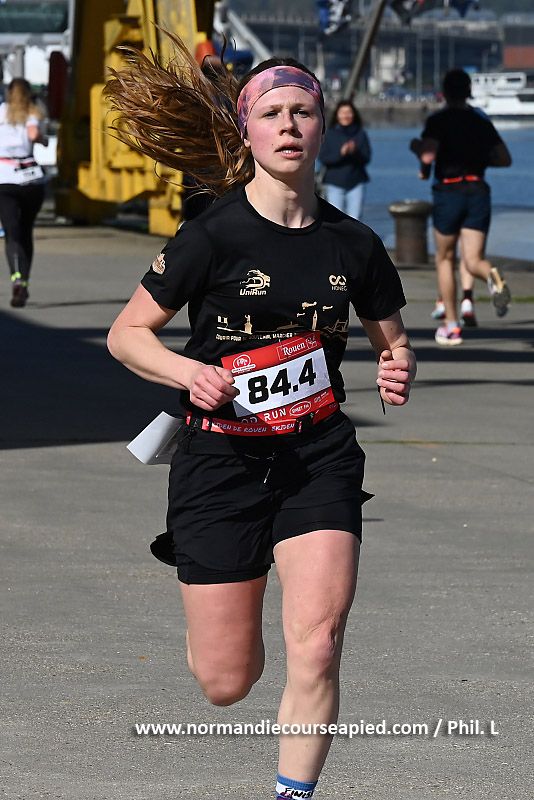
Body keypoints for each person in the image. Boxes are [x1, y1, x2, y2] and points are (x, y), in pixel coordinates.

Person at [106, 36, 416, 800]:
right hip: (221, 460)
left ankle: (292, 793)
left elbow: (393, 340)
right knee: (226, 679)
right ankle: (216, 617)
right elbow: (126, 335)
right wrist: (191, 373)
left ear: (322, 127)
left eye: (302, 111)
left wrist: (396, 366)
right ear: (246, 131)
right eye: (272, 113)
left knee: (319, 643)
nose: (288, 125)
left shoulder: (356, 243)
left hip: (318, 459)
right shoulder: (212, 235)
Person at [410, 68, 512, 346]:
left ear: (444, 92)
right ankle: (491, 276)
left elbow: (428, 156)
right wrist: (477, 160)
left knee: (445, 259)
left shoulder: (438, 120)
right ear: (469, 91)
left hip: (449, 191)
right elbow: (505, 158)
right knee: (474, 260)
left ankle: (452, 327)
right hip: (478, 190)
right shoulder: (481, 121)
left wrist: (416, 147)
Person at [0, 78, 47, 308]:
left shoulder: (1, 111)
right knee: (26, 230)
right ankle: (25, 282)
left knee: (12, 232)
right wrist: (43, 141)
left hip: (4, 177)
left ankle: (16, 278)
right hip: (31, 179)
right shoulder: (32, 111)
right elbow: (33, 134)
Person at [318, 100, 371, 220]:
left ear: (354, 114)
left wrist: (354, 152)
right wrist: (341, 153)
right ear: (337, 115)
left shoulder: (360, 134)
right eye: (342, 112)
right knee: (336, 219)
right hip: (334, 183)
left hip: (356, 182)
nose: (346, 116)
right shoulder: (330, 134)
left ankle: (354, 234)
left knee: (356, 218)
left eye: (349, 112)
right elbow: (323, 158)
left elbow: (366, 158)